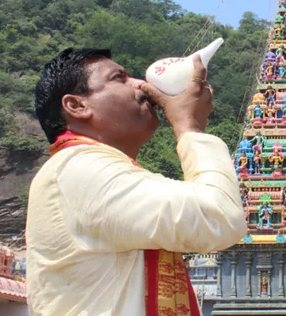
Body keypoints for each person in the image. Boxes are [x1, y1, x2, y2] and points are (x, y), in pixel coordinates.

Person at [26, 48, 247, 316]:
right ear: (77, 105)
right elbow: (219, 217)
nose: (142, 85)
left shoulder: (85, 170)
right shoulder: (79, 169)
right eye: (120, 78)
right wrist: (190, 128)